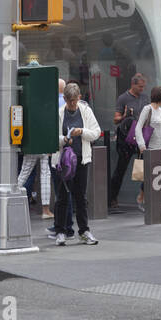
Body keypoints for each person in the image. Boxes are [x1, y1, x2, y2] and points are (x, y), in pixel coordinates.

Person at [52, 82, 102, 245]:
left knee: (81, 196)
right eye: (69, 101)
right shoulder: (59, 113)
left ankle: (84, 230)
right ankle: (60, 231)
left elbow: (96, 132)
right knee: (62, 197)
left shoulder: (86, 111)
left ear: (79, 97)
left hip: (81, 159)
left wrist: (82, 131)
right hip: (63, 161)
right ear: (64, 99)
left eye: (75, 100)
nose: (72, 104)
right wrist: (64, 139)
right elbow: (51, 137)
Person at [131, 86, 161, 209]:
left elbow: (158, 130)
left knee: (159, 175)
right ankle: (142, 197)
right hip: (149, 148)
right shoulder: (147, 109)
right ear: (160, 97)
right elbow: (138, 128)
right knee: (148, 176)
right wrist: (141, 145)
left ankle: (155, 201)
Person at [108, 73, 148, 210]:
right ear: (133, 85)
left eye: (143, 87)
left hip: (140, 137)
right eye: (140, 87)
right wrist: (124, 116)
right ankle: (112, 197)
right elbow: (115, 119)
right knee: (121, 168)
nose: (142, 89)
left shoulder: (144, 98)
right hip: (126, 138)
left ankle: (141, 196)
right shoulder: (123, 98)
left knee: (142, 168)